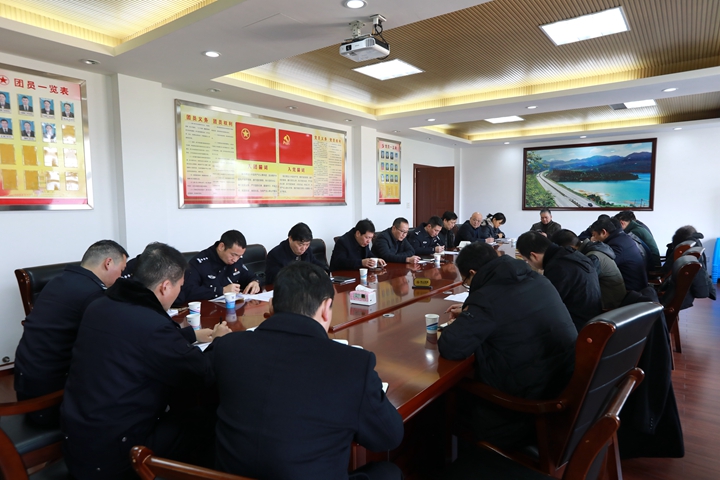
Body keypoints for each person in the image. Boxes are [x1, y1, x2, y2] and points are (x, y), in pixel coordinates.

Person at [212, 262, 404, 480]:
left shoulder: (227, 347)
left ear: (271, 306)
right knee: (389, 472)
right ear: (325, 308)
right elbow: (388, 437)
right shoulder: (353, 364)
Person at [61, 243, 231, 479]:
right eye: (179, 287)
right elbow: (202, 372)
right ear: (165, 286)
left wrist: (190, 335)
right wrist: (220, 342)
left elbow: (136, 340)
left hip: (77, 439)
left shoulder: (100, 305)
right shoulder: (152, 326)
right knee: (209, 416)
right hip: (117, 454)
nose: (179, 293)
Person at [438, 243, 577, 448]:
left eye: (466, 281)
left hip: (526, 408)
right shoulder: (537, 278)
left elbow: (452, 347)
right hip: (563, 387)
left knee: (449, 397)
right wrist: (472, 312)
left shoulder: (487, 298)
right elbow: (512, 311)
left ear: (473, 273)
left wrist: (470, 313)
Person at [14, 241, 128, 425]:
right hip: (49, 399)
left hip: (26, 383)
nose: (121, 276)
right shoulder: (92, 294)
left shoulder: (58, 281)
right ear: (108, 263)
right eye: (121, 270)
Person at [517, 231, 602, 331]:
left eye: (527, 260)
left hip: (578, 328)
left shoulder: (557, 267)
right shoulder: (570, 254)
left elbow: (547, 306)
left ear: (534, 255)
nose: (529, 264)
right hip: (591, 320)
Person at [176, 230, 262, 304]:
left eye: (239, 256)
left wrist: (255, 282)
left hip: (232, 309)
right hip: (207, 311)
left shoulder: (236, 261)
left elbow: (249, 276)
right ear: (221, 247)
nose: (235, 260)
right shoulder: (199, 263)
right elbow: (188, 291)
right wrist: (221, 290)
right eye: (233, 255)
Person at [551, 229, 626, 310]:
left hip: (609, 303)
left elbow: (585, 284)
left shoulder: (592, 257)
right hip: (609, 296)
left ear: (570, 248)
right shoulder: (591, 249)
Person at [590, 218, 648, 291]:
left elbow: (605, 267)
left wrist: (592, 245)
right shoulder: (623, 237)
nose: (593, 239)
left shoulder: (616, 245)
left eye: (594, 235)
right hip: (637, 285)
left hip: (630, 290)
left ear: (604, 232)